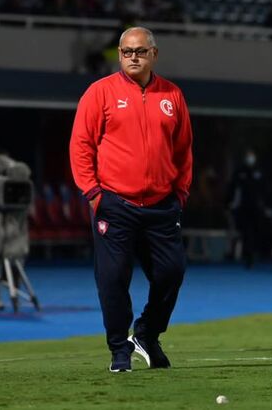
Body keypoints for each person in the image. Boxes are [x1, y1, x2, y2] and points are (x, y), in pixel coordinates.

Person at [69, 27, 193, 373]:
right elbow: (81, 146)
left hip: (162, 206)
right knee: (113, 278)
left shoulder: (172, 95)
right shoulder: (99, 93)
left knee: (171, 272)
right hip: (115, 205)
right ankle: (119, 349)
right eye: (126, 52)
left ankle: (148, 334)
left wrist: (180, 192)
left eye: (139, 51)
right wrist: (94, 194)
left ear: (154, 54)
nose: (133, 57)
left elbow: (183, 150)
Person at [226, 149, 267, 268]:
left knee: (256, 232)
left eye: (252, 156)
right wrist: (231, 204)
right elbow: (233, 189)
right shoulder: (240, 172)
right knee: (246, 233)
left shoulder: (259, 171)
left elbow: (264, 189)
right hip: (243, 208)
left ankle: (254, 253)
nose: (250, 158)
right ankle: (247, 256)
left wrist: (264, 204)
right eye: (248, 156)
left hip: (257, 208)